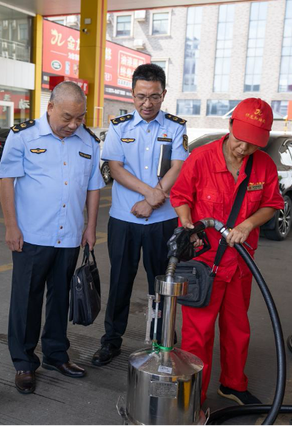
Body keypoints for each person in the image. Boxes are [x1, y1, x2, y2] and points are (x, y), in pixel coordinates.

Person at [170, 98, 284, 405]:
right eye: (239, 140)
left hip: (240, 265)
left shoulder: (264, 165)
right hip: (203, 266)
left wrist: (248, 225)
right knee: (198, 336)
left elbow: (272, 204)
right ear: (230, 126)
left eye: (252, 144)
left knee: (237, 330)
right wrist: (187, 223)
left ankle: (233, 383)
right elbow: (180, 195)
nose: (243, 149)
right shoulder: (201, 158)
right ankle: (194, 398)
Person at [0, 81, 104, 394]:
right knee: (26, 300)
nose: (73, 124)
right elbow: (6, 180)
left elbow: (93, 186)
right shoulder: (23, 135)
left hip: (69, 234)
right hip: (31, 234)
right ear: (51, 107)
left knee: (60, 297)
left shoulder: (88, 141)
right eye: (67, 117)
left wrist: (90, 227)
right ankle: (24, 362)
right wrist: (10, 226)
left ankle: (57, 353)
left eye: (80, 118)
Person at [92, 64, 188, 366]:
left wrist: (153, 200)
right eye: (141, 97)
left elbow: (178, 166)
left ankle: (162, 342)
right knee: (120, 281)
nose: (147, 104)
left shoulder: (175, 127)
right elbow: (116, 169)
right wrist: (153, 194)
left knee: (161, 284)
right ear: (132, 94)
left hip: (162, 222)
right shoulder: (119, 127)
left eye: (154, 97)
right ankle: (111, 341)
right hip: (124, 220)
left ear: (164, 95)